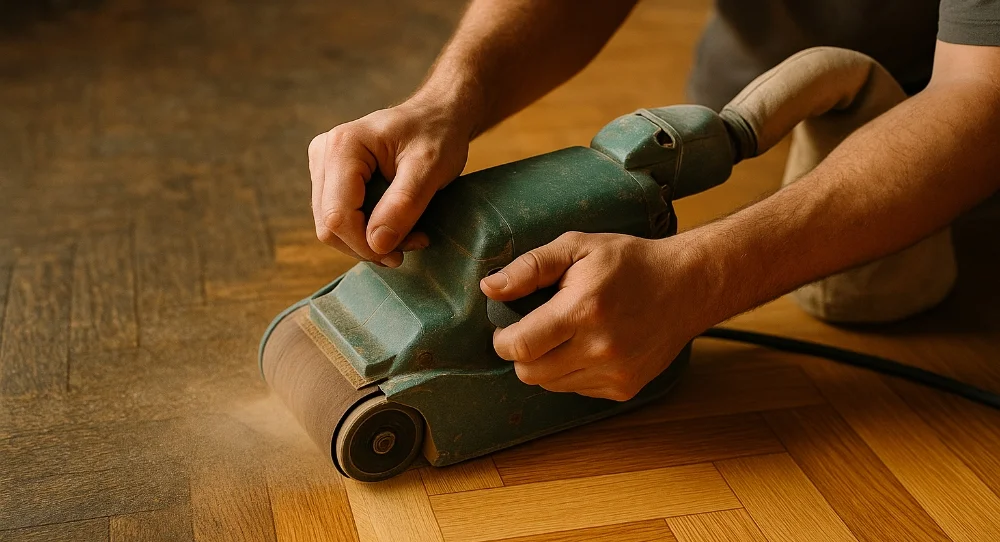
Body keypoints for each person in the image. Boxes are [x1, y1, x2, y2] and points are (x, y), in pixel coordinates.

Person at [307, 0, 1000, 401]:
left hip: (956, 131)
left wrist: (702, 273)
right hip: (769, 78)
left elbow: (981, 95)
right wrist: (447, 97)